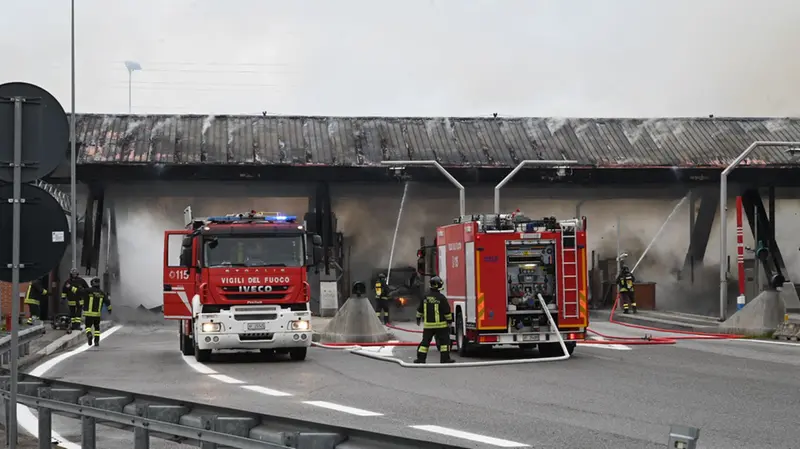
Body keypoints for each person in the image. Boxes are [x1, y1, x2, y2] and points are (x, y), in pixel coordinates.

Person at [413, 276, 454, 364]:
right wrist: (450, 321)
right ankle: (445, 359)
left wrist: (418, 318)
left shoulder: (425, 297)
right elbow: (447, 311)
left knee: (425, 343)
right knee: (444, 343)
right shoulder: (441, 298)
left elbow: (420, 309)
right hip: (441, 326)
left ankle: (421, 359)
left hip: (428, 326)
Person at [83, 277, 111, 346]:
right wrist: (109, 310)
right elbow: (108, 302)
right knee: (97, 328)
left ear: (92, 283)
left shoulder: (87, 291)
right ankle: (96, 341)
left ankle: (89, 334)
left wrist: (71, 288)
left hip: (88, 314)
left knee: (88, 327)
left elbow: (79, 293)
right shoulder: (102, 293)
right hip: (97, 315)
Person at [62, 268, 88, 333]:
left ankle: (78, 325)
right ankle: (73, 325)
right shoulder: (67, 282)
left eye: (75, 274)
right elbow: (64, 291)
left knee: (78, 314)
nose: (74, 275)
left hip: (79, 300)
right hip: (71, 300)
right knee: (72, 314)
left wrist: (85, 296)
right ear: (71, 274)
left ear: (77, 274)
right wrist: (63, 298)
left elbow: (87, 289)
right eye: (73, 274)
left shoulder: (81, 281)